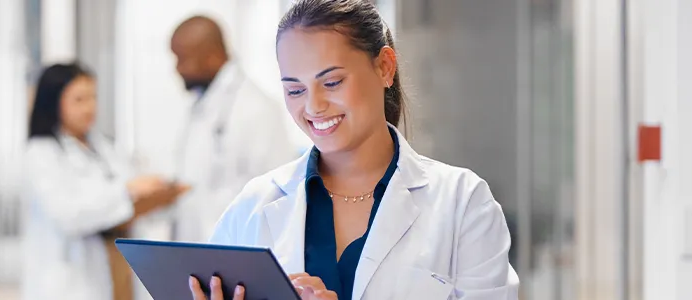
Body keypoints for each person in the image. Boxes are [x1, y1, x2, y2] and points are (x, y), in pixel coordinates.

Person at [189, 1, 519, 299]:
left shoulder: (464, 204)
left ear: (384, 68)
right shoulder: (251, 208)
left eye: (332, 83)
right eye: (294, 89)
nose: (313, 106)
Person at [21, 63, 187, 300]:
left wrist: (161, 196)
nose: (90, 107)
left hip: (115, 271)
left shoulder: (104, 148)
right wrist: (128, 190)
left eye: (93, 98)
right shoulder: (41, 154)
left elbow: (129, 205)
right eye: (79, 100)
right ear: (53, 102)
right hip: (68, 283)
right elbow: (68, 216)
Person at [167, 16, 303, 242]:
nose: (177, 68)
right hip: (198, 251)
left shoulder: (257, 108)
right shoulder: (201, 105)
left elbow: (278, 195)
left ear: (212, 57)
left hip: (238, 251)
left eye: (182, 59)